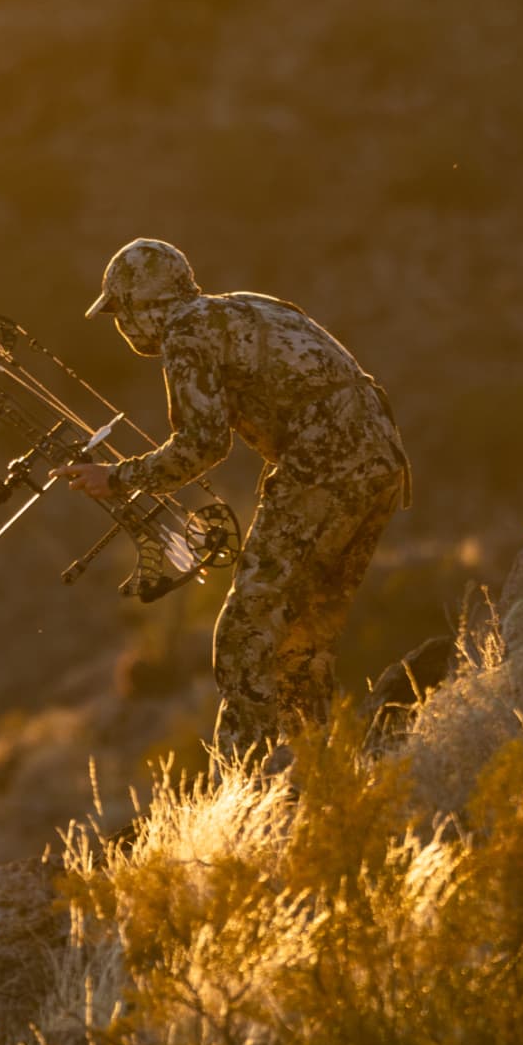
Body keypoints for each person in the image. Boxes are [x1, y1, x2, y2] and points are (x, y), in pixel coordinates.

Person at [67, 238, 409, 755]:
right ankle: (313, 770)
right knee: (304, 632)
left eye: (119, 311)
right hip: (382, 464)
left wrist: (115, 478)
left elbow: (203, 445)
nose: (122, 326)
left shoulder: (186, 331)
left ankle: (246, 780)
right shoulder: (245, 305)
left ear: (138, 304)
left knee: (243, 634)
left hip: (323, 470)